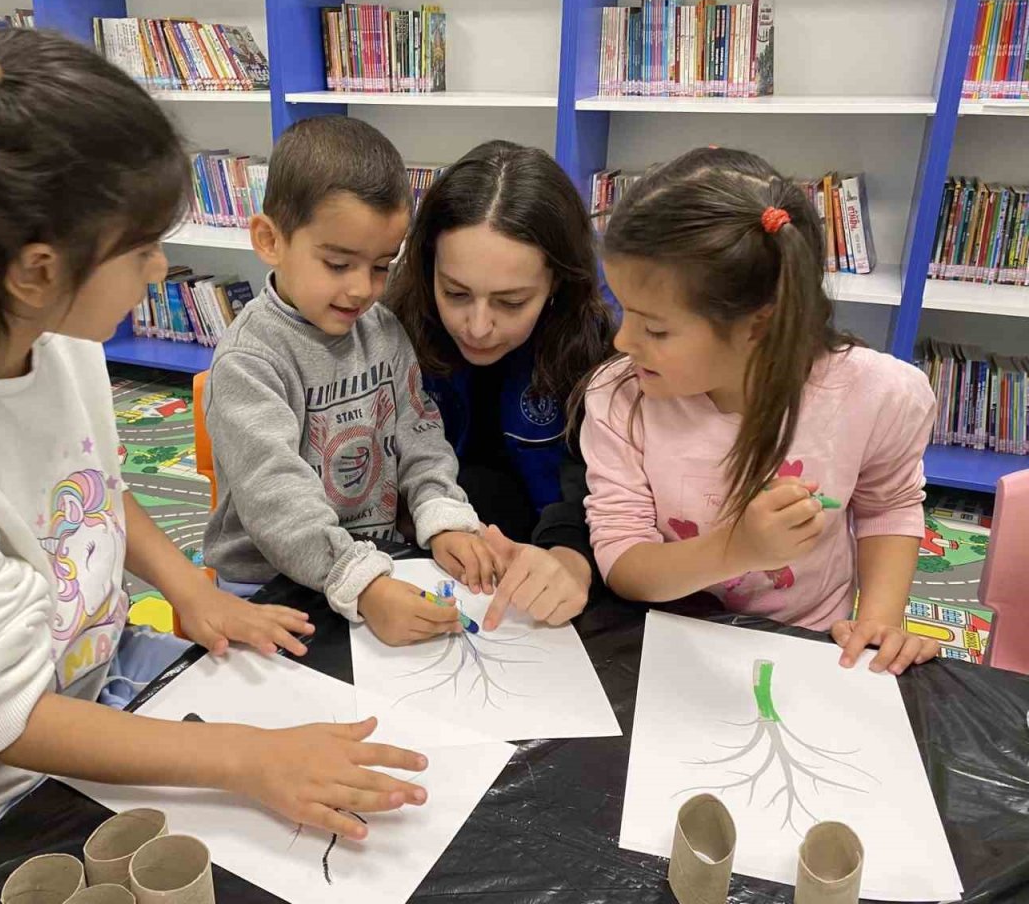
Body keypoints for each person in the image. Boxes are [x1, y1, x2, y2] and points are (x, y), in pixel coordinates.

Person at [0, 14, 429, 894]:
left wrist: (191, 589)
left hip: (102, 685)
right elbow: (9, 724)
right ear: (37, 269)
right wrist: (245, 759)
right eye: (144, 248)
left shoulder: (53, 336)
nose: (162, 272)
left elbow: (89, 482)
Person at [578, 146, 939, 674]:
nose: (622, 341)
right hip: (670, 642)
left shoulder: (879, 395)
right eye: (623, 312)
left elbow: (888, 505)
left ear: (759, 325)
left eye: (655, 328)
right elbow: (623, 563)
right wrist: (735, 548)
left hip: (806, 643)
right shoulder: (621, 397)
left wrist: (880, 619)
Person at [203, 116, 499, 648]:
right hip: (265, 586)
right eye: (338, 263)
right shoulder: (251, 360)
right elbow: (277, 501)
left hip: (370, 567)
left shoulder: (383, 330)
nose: (362, 289)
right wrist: (360, 583)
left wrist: (442, 514)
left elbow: (420, 435)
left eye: (383, 265)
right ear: (270, 240)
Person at [386, 141, 613, 630]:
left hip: (541, 590)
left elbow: (604, 486)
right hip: (415, 571)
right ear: (428, 269)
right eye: (456, 293)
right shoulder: (389, 332)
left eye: (511, 302)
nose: (478, 326)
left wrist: (570, 558)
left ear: (557, 283)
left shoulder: (599, 347)